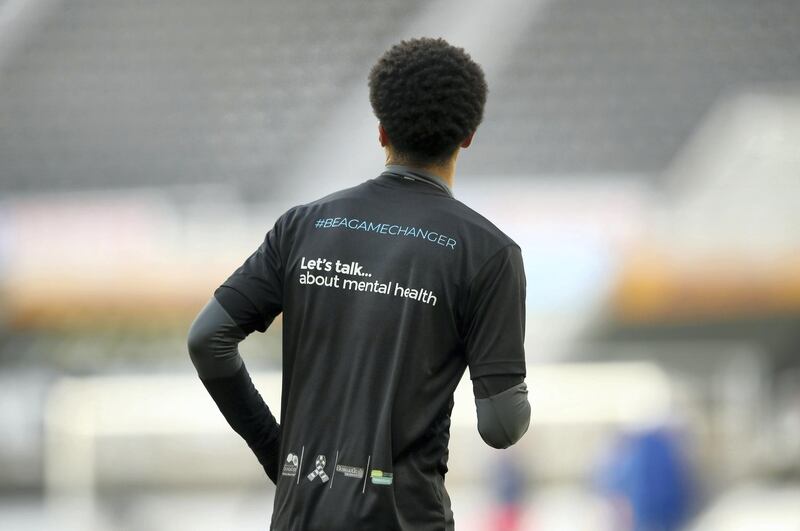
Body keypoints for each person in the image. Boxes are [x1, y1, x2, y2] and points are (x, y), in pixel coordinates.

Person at [187, 37, 531, 531]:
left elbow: (207, 340)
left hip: (298, 516)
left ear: (381, 131)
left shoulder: (303, 226)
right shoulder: (489, 252)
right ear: (468, 136)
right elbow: (502, 426)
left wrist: (276, 452)